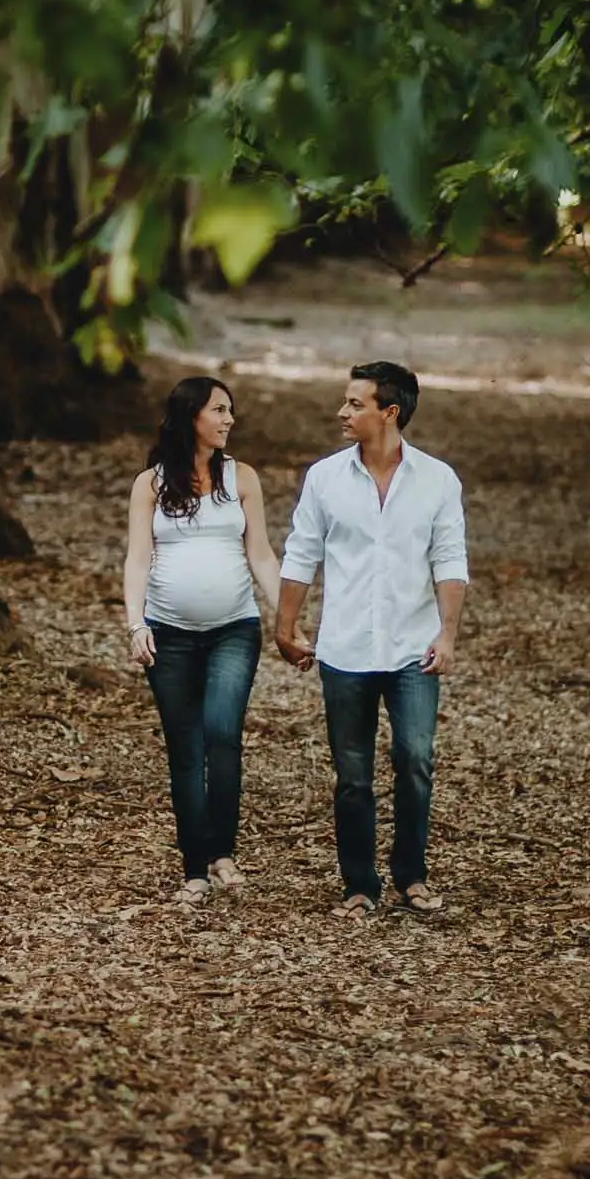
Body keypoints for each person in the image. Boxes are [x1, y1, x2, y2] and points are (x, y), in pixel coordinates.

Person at [275, 361, 469, 921]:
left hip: (413, 647)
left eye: (355, 403)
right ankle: (359, 884)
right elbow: (301, 552)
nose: (343, 412)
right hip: (344, 648)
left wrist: (448, 634)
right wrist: (285, 627)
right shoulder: (325, 478)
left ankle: (411, 874)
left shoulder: (437, 480)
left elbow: (450, 559)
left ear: (390, 412)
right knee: (353, 774)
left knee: (415, 758)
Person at [122, 376, 284, 904]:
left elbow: (260, 553)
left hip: (234, 629)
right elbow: (138, 558)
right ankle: (194, 865)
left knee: (222, 734)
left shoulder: (243, 478)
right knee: (185, 751)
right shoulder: (150, 484)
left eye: (230, 410)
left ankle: (222, 854)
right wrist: (135, 623)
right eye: (219, 410)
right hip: (167, 635)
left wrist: (289, 617)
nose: (229, 419)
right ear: (191, 415)